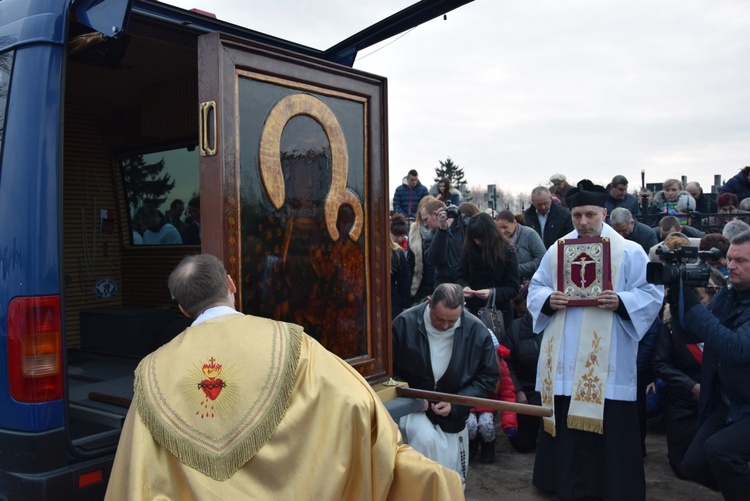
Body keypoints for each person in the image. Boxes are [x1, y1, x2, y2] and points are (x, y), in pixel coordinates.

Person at [105, 254, 463, 499]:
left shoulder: (152, 371)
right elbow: (354, 402)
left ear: (182, 308)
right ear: (230, 284)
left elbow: (136, 473)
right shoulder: (290, 342)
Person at [527, 179, 663, 500]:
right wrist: (549, 299)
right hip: (563, 360)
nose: (584, 222)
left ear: (604, 211)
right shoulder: (557, 249)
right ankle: (562, 483)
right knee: (566, 430)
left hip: (608, 358)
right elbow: (536, 287)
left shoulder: (630, 251)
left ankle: (614, 487)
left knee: (610, 433)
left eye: (590, 214)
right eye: (577, 216)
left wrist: (622, 301)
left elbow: (652, 293)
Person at [668, 230, 750, 499]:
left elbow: (735, 348)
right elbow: (694, 335)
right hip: (729, 400)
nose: (730, 266)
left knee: (720, 450)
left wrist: (693, 309)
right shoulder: (731, 293)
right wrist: (679, 297)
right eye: (729, 259)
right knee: (693, 464)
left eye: (741, 261)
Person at [392, 283, 500, 485]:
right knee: (423, 443)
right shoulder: (404, 324)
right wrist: (411, 395)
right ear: (429, 302)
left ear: (463, 307)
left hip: (454, 412)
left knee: (451, 470)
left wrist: (456, 404)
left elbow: (487, 378)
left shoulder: (476, 331)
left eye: (452, 321)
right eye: (439, 319)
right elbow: (388, 371)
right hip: (413, 407)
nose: (444, 326)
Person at [653, 238, 726, 480]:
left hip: (721, 402)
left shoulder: (726, 322)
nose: (696, 307)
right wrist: (690, 386)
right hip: (684, 403)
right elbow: (661, 363)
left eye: (702, 300)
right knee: (684, 467)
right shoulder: (672, 324)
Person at [458, 212, 520, 330]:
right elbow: (460, 276)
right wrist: (464, 287)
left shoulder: (507, 251)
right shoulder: (469, 249)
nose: (478, 242)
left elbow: (513, 288)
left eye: (481, 239)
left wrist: (492, 293)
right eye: (475, 239)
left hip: (499, 314)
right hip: (472, 312)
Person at [467, 344, 518, 465]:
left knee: (486, 424)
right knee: (470, 425)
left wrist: (509, 423)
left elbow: (507, 394)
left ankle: (488, 445)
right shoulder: (465, 361)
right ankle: (470, 444)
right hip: (468, 405)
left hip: (488, 405)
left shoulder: (499, 365)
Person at [495, 209, 545, 283]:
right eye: (499, 228)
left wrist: (518, 269)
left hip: (530, 281)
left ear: (514, 222)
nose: (502, 231)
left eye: (505, 227)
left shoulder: (529, 234)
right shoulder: (498, 238)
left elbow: (542, 257)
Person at [426, 201, 468, 289]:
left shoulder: (465, 226)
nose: (425, 224)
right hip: (446, 288)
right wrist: (442, 230)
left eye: (426, 219)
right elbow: (434, 260)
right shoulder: (431, 237)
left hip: (467, 286)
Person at [408, 197, 443, 304]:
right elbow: (410, 262)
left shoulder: (445, 232)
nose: (426, 224)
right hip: (421, 286)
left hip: (440, 286)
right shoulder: (415, 230)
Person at [391, 221, 412, 320]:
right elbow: (404, 281)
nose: (399, 239)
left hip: (392, 300)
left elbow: (404, 281)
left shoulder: (397, 253)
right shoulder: (397, 252)